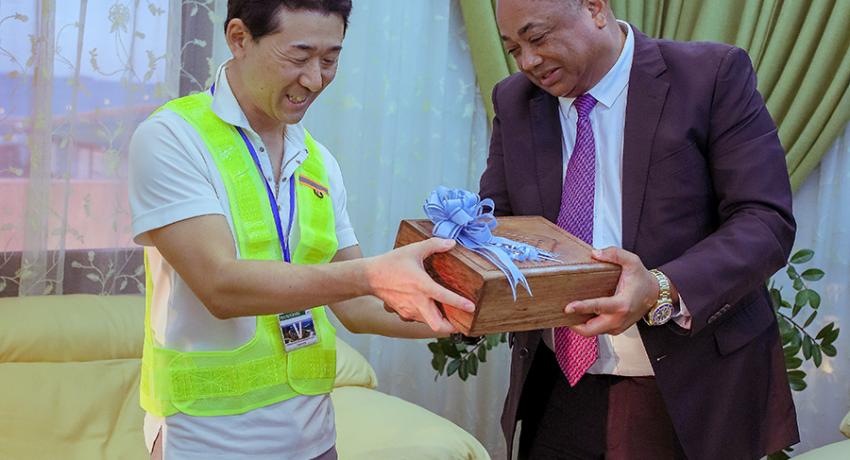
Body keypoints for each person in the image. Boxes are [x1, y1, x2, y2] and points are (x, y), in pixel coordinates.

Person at [128, 1, 474, 459]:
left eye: (330, 60)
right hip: (205, 442)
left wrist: (473, 311)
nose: (315, 80)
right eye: (298, 56)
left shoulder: (318, 162)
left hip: (316, 441)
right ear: (238, 38)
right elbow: (220, 286)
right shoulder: (172, 138)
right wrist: (373, 273)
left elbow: (357, 306)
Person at [479, 0, 799, 458]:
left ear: (594, 8)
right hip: (557, 382)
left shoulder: (708, 75)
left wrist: (659, 289)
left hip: (688, 386)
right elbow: (501, 223)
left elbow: (765, 220)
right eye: (514, 49)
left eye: (538, 37)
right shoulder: (515, 101)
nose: (528, 62)